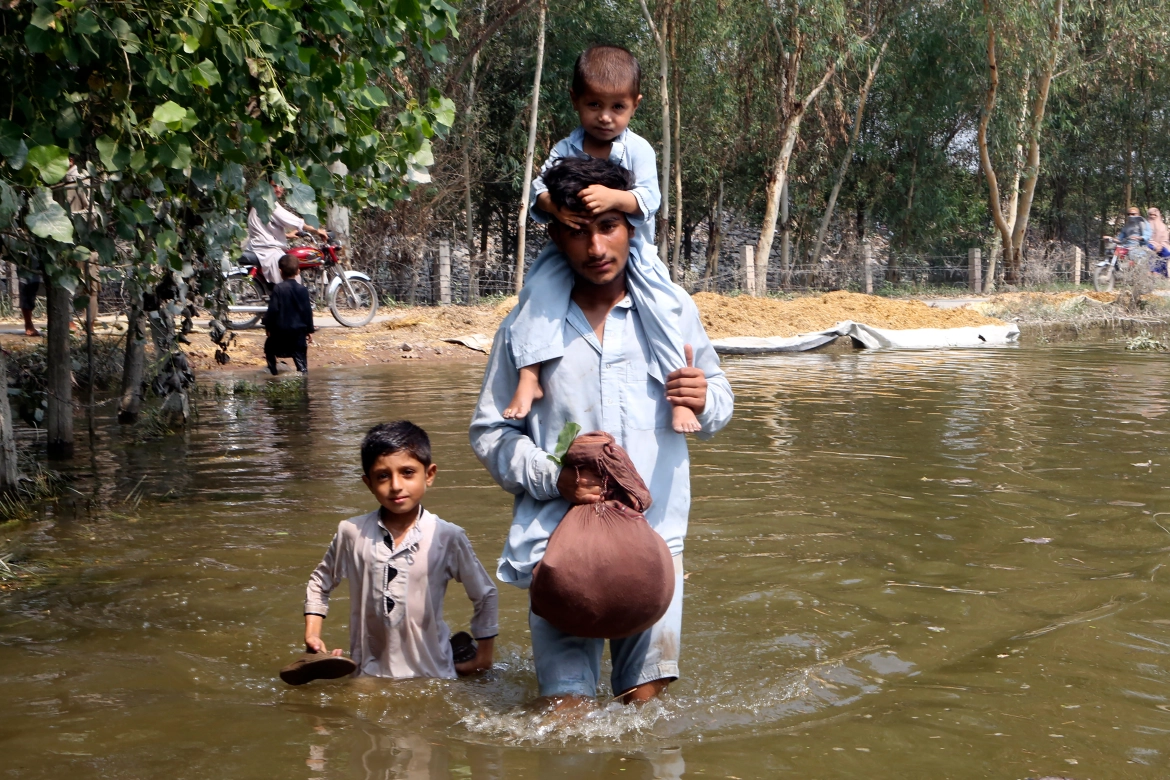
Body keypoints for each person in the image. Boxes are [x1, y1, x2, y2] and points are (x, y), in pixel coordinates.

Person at [470, 157, 734, 706]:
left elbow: (721, 403)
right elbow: (492, 432)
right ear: (556, 236)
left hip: (655, 535)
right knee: (564, 710)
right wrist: (554, 479)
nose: (595, 248)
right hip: (559, 546)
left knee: (645, 705)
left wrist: (705, 399)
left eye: (608, 227)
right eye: (576, 232)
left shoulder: (670, 312)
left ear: (630, 226)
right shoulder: (528, 326)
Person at [502, 46, 701, 435]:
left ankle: (679, 399)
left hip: (636, 255)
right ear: (575, 100)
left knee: (662, 309)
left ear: (635, 105)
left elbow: (649, 201)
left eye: (617, 107)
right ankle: (528, 375)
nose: (605, 117)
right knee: (535, 298)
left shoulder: (638, 149)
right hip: (563, 254)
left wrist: (615, 199)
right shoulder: (564, 149)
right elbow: (536, 192)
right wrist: (554, 207)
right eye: (594, 104)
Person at [295, 421, 498, 682]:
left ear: (429, 475)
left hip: (434, 673)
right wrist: (313, 634)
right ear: (368, 483)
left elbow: (485, 594)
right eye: (383, 476)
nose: (396, 485)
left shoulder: (447, 536)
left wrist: (483, 658)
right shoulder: (351, 532)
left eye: (407, 472)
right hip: (368, 671)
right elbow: (319, 583)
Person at [244, 180, 328, 285]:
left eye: (280, 186)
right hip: (267, 251)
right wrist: (317, 230)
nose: (278, 189)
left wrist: (287, 235)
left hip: (259, 247)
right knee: (292, 275)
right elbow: (294, 221)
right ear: (267, 186)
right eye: (274, 186)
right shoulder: (268, 204)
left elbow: (264, 229)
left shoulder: (260, 202)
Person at [263, 253, 315, 375]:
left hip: (279, 335)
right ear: (298, 271)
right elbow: (307, 311)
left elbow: (273, 310)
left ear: (280, 271)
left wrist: (268, 327)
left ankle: (273, 372)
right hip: (298, 336)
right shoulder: (303, 290)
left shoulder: (278, 289)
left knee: (268, 348)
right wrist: (309, 330)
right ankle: (303, 375)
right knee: (301, 360)